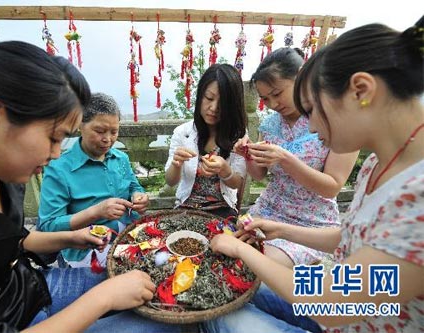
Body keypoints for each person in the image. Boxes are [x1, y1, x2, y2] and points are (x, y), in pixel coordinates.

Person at [0, 40, 182, 333]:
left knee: (160, 293)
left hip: (32, 290)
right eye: (53, 138)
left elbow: (13, 241)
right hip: (7, 320)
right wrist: (103, 298)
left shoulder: (1, 172)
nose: (57, 153)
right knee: (161, 325)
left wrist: (73, 238)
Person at [204, 17, 424, 333]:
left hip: (340, 311)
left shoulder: (418, 194)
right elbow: (350, 235)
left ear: (361, 91)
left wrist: (239, 249)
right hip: (339, 299)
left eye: (315, 109)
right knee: (228, 291)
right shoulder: (378, 163)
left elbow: (336, 303)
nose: (312, 126)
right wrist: (281, 230)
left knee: (219, 310)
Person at [233, 47, 359, 267]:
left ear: (302, 77)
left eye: (277, 93)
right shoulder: (270, 124)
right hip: (271, 207)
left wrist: (284, 158)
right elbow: (260, 175)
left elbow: (332, 187)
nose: (273, 104)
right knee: (235, 246)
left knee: (258, 263)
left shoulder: (337, 120)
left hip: (311, 221)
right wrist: (248, 155)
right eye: (265, 99)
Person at [38, 92, 148, 268]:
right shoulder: (59, 169)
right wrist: (95, 212)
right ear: (80, 125)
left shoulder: (120, 158)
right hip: (86, 249)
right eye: (99, 131)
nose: (108, 139)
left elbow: (134, 185)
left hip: (128, 234)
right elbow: (48, 227)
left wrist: (138, 195)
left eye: (114, 132)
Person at [165, 63, 248, 219]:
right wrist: (176, 164)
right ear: (200, 95)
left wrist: (225, 169)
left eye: (223, 103)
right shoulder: (183, 133)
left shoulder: (239, 136)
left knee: (221, 243)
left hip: (222, 209)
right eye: (209, 98)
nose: (214, 108)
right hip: (186, 207)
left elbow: (236, 183)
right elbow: (170, 181)